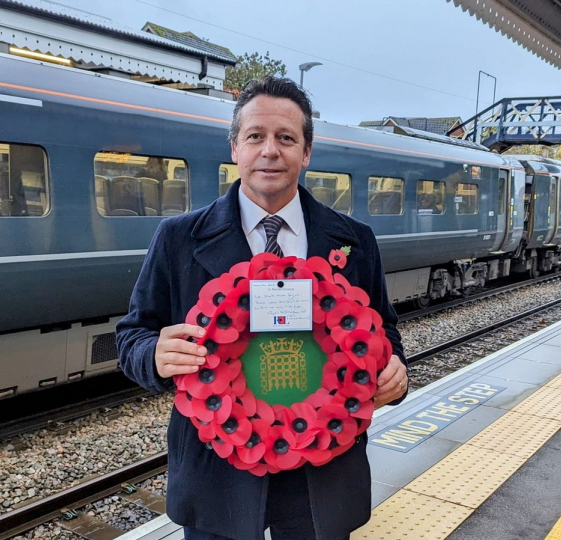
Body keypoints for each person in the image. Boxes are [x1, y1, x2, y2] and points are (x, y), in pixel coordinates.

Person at [116, 76, 408, 540]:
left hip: (322, 472)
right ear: (235, 148)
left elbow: (384, 332)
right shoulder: (177, 239)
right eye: (255, 136)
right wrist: (152, 355)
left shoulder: (355, 241)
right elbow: (132, 335)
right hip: (219, 478)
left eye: (286, 138)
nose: (270, 150)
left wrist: (395, 369)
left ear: (306, 152)